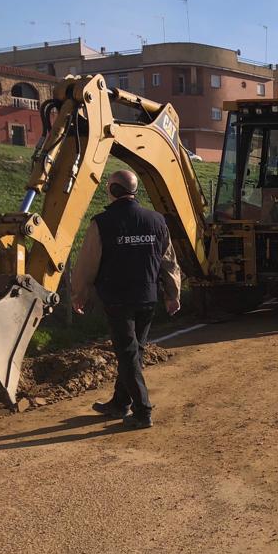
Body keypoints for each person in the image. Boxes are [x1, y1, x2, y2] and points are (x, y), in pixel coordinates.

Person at [72, 170, 181, 430]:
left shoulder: (103, 222)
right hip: (147, 298)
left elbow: (87, 263)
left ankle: (142, 411)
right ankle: (119, 403)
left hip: (118, 299)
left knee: (128, 353)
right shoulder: (156, 221)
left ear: (114, 190)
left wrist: (79, 294)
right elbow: (169, 263)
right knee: (133, 352)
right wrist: (173, 294)